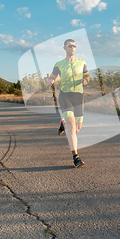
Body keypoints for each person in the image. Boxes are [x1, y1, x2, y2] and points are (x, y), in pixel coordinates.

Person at [45, 39, 90, 168]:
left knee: (77, 128)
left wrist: (85, 81)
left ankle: (63, 124)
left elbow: (87, 76)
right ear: (64, 48)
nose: (73, 48)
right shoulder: (59, 64)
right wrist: (50, 81)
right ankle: (76, 157)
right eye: (70, 46)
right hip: (65, 96)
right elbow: (52, 77)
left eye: (74, 46)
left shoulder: (82, 62)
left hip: (78, 97)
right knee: (71, 125)